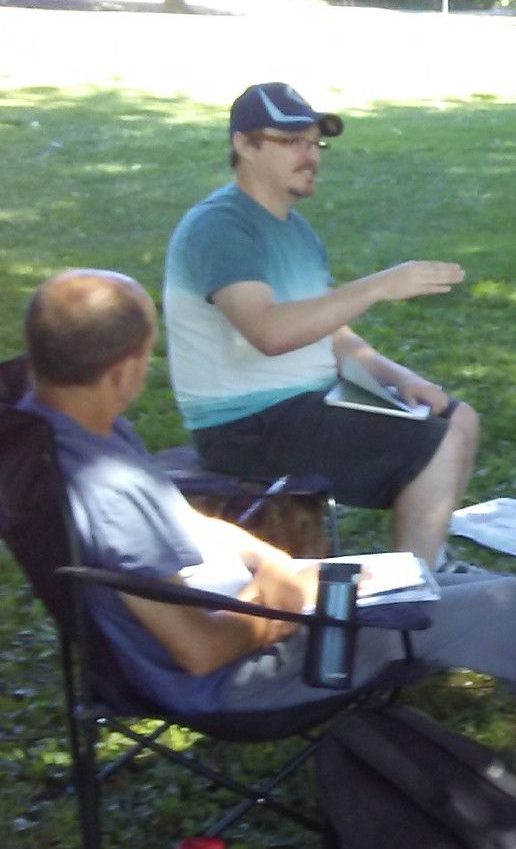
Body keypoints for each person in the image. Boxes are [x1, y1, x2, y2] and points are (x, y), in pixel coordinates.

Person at [22, 268, 516, 716]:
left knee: (442, 585)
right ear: (124, 373)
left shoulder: (67, 425)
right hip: (244, 677)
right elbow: (200, 652)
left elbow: (183, 521)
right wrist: (281, 595)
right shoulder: (107, 497)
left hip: (256, 601)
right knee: (505, 606)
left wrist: (277, 564)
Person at [164, 82, 475, 569]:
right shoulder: (221, 228)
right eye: (292, 142)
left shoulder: (296, 232)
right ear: (245, 145)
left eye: (314, 143)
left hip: (306, 402)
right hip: (247, 423)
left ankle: (423, 565)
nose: (310, 156)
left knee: (458, 418)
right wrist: (375, 287)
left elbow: (334, 335)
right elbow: (269, 332)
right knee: (436, 446)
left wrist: (405, 381)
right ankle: (408, 587)